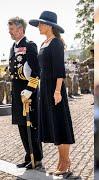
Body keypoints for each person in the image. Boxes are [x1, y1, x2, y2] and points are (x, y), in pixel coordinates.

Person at [29, 11, 75, 177]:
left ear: (49, 25)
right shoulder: (43, 43)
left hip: (55, 88)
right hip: (45, 88)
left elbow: (59, 70)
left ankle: (64, 162)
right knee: (53, 124)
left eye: (40, 24)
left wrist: (57, 91)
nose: (38, 27)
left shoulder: (56, 43)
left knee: (60, 123)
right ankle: (62, 160)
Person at [8, 17, 43, 169]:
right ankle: (28, 155)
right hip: (17, 93)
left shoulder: (30, 45)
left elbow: (36, 71)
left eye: (12, 29)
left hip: (28, 94)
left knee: (31, 126)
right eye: (9, 29)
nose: (10, 32)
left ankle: (37, 158)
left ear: (21, 29)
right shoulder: (12, 47)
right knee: (22, 126)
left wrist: (29, 90)